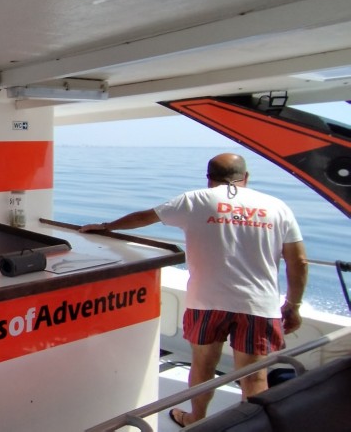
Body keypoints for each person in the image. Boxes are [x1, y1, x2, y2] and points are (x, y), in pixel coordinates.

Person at [78, 153, 308, 427]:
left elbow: (144, 217)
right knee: (255, 376)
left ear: (209, 179)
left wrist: (106, 227)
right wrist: (293, 304)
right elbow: (299, 261)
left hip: (206, 301)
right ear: (245, 177)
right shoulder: (277, 206)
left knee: (202, 367)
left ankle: (196, 419)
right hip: (258, 304)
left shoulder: (194, 200)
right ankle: (253, 427)